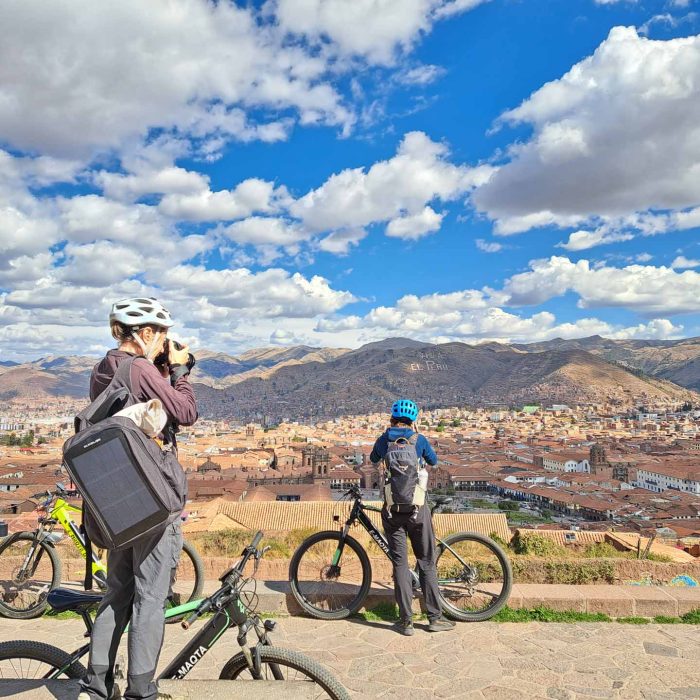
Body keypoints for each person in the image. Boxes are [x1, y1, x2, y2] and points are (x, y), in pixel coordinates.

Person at [79, 297, 198, 700]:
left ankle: (97, 682)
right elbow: (184, 411)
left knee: (117, 590)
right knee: (150, 596)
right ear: (145, 333)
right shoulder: (140, 367)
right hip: (151, 499)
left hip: (118, 501)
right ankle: (141, 688)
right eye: (161, 334)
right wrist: (180, 371)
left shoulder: (102, 368)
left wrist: (165, 367)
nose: (165, 341)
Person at [369, 399, 455, 636]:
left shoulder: (384, 440)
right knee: (426, 562)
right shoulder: (419, 440)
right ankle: (434, 618)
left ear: (392, 418)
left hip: (392, 511)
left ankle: (406, 622)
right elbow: (434, 461)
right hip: (418, 510)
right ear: (413, 420)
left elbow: (373, 460)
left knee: (400, 564)